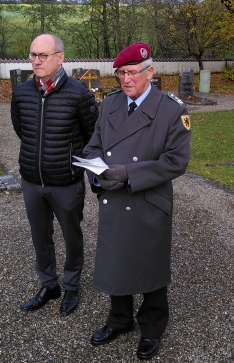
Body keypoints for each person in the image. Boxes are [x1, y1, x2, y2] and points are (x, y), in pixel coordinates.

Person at [83, 42, 191, 360]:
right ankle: (120, 320)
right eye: (121, 74)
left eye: (132, 72)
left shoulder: (172, 111)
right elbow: (93, 147)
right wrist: (96, 172)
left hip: (148, 201)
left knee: (149, 267)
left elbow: (175, 161)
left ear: (150, 72)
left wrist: (128, 172)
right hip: (115, 199)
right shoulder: (111, 105)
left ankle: (153, 327)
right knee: (117, 261)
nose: (126, 80)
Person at [11, 34, 98, 316]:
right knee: (40, 236)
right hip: (32, 181)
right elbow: (21, 130)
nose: (36, 61)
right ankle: (49, 285)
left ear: (60, 58)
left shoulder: (79, 94)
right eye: (32, 55)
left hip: (66, 183)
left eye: (43, 55)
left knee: (71, 236)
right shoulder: (22, 93)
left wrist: (69, 164)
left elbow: (91, 135)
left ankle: (72, 285)